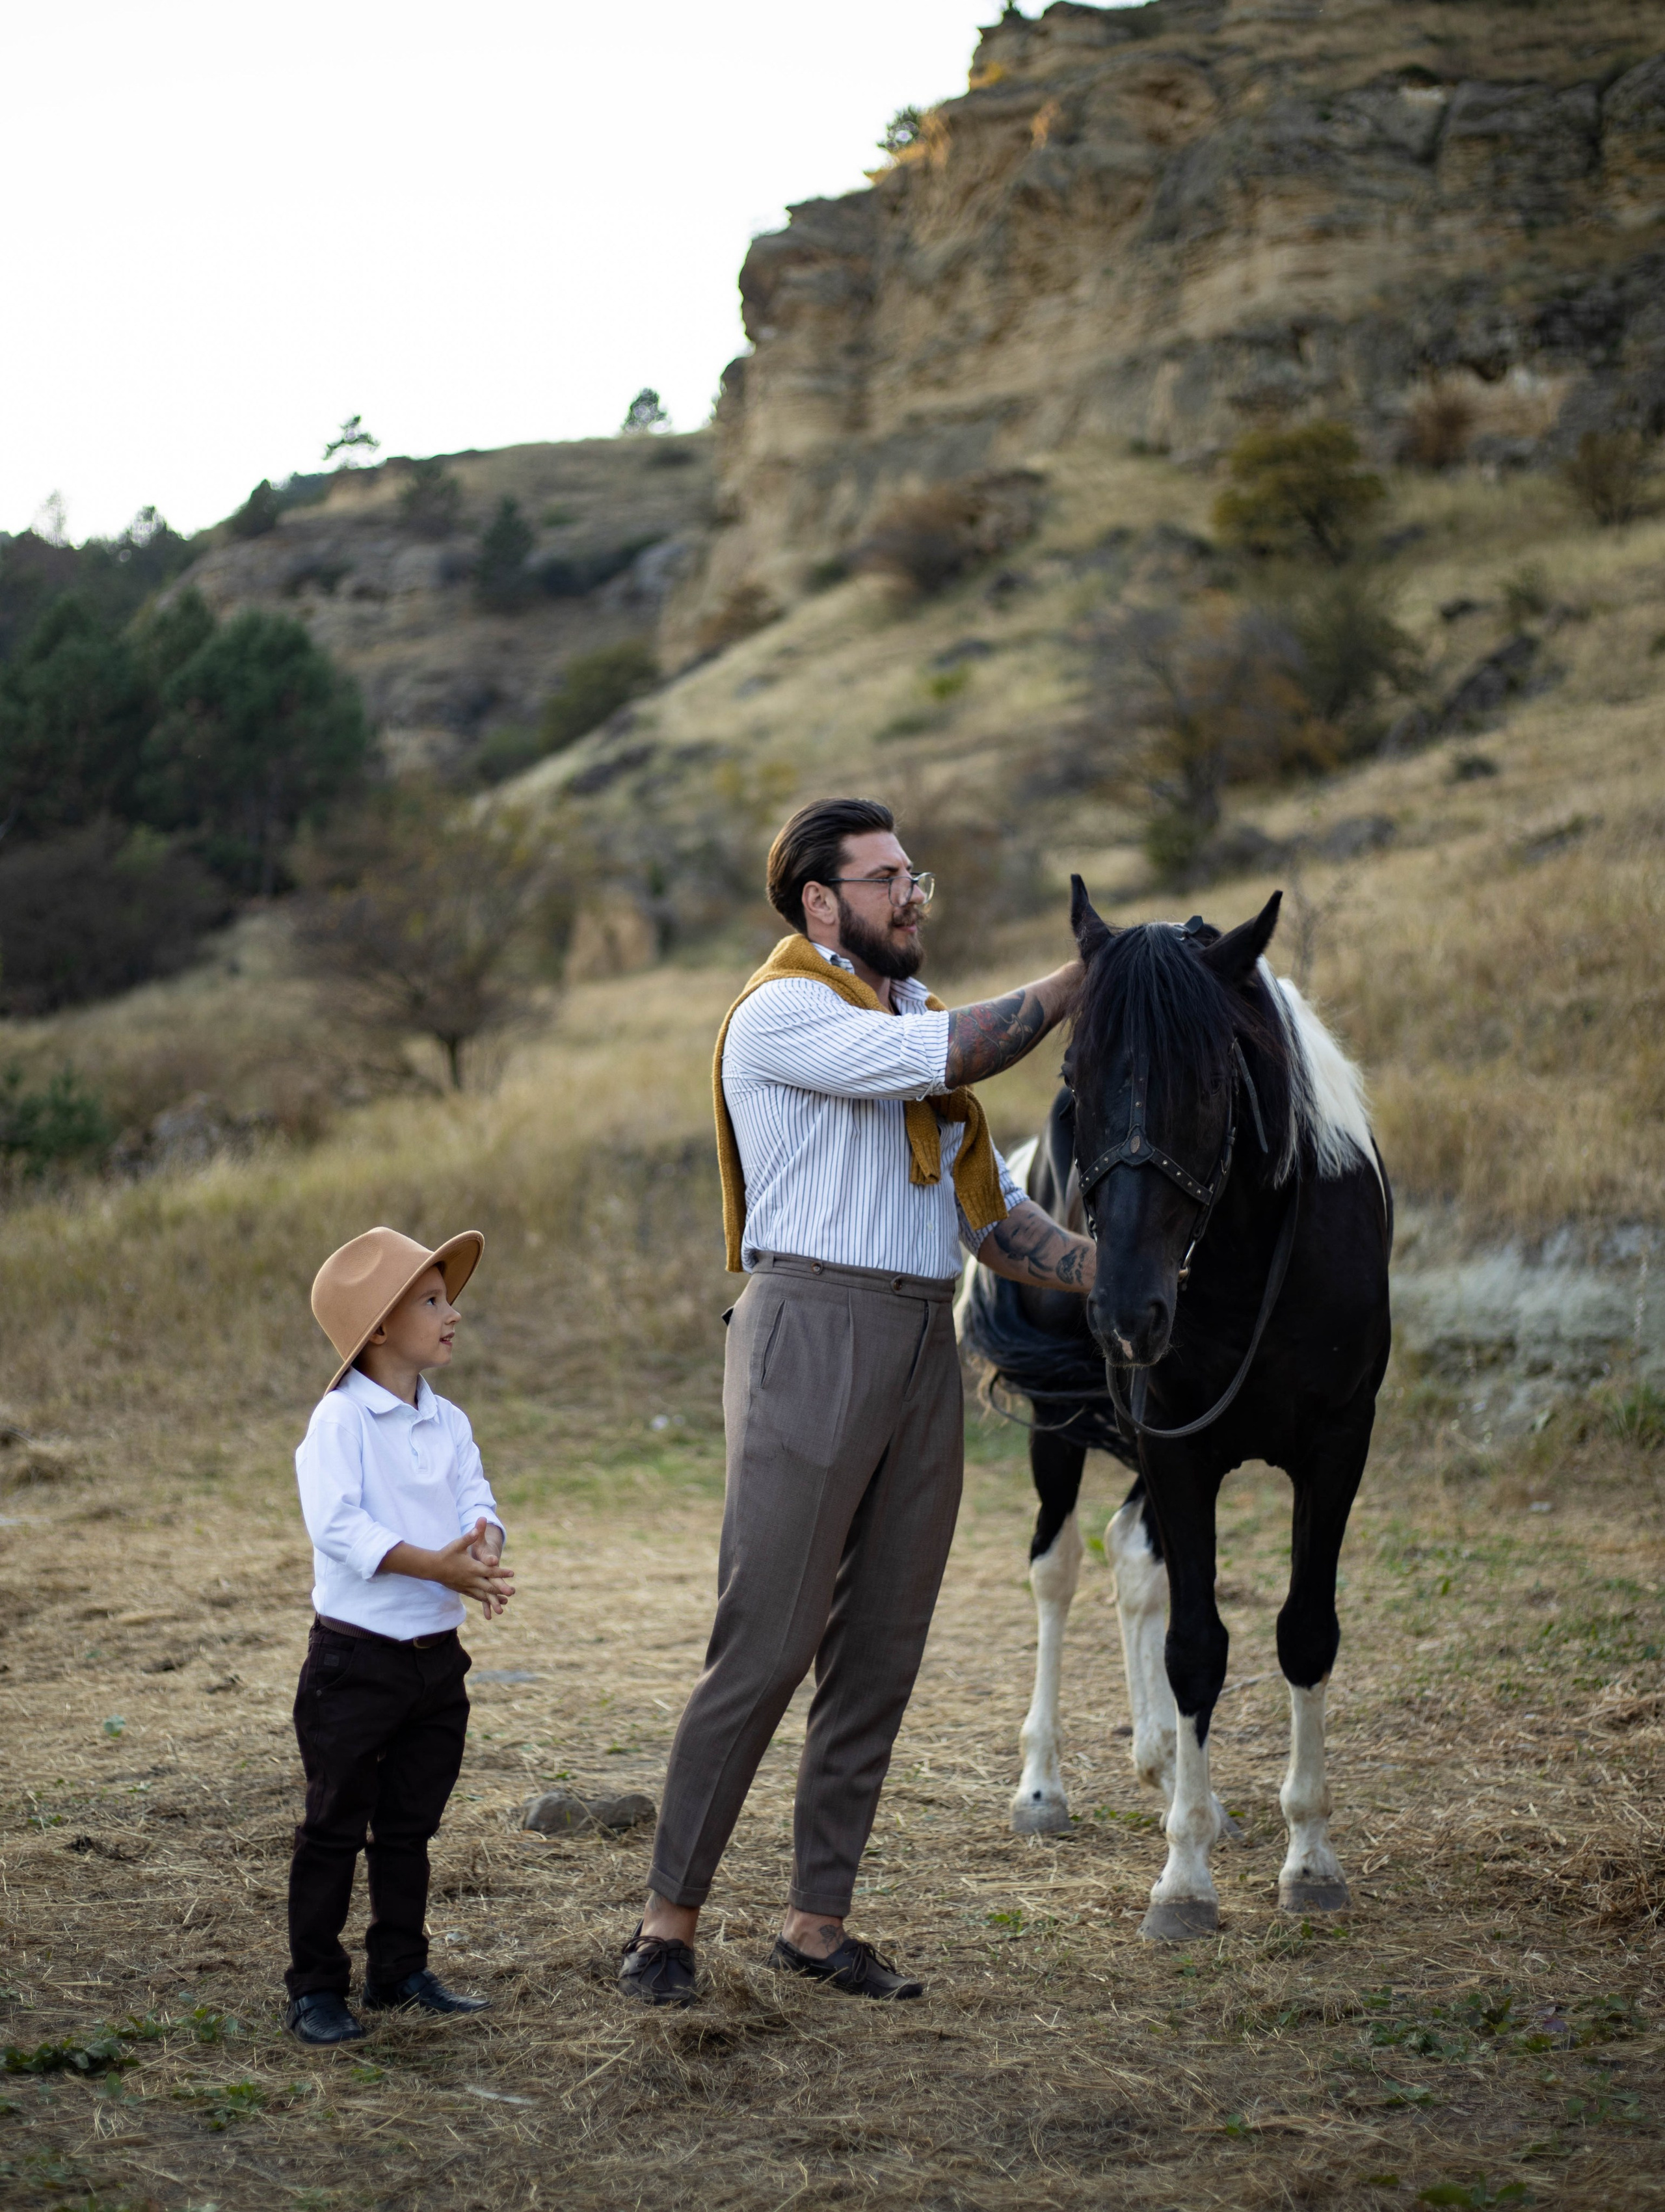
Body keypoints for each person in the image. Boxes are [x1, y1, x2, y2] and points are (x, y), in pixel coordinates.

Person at [620, 796, 1097, 2007]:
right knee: (768, 1641)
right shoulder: (785, 1009)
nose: (912, 894)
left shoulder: (913, 1014)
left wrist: (1114, 1274)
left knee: (880, 1649)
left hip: (916, 1339)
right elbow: (966, 1057)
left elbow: (989, 1220)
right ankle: (667, 1924)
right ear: (821, 901)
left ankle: (816, 1925)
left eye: (913, 874)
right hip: (810, 1328)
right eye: (886, 879)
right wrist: (1096, 971)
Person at [284, 1225, 515, 2047]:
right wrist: (438, 1567)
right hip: (354, 1663)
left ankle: (398, 1969)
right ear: (377, 1326)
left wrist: (481, 1546)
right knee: (335, 1825)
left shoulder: (446, 1419)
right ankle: (314, 1985)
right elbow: (339, 1528)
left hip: (434, 1663)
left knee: (410, 1825)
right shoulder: (340, 1421)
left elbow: (474, 1493)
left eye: (448, 1296)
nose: (452, 1312)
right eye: (431, 1299)